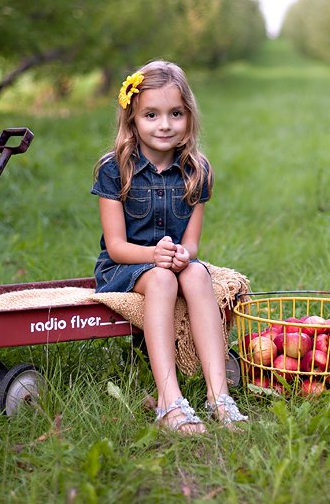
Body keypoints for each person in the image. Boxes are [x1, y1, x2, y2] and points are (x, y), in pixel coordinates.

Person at [91, 60, 248, 433]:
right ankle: (169, 401)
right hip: (125, 267)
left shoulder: (197, 170)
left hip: (170, 262)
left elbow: (191, 243)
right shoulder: (114, 169)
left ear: (189, 117)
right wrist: (154, 257)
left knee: (196, 275)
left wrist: (182, 255)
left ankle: (218, 397)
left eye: (175, 113)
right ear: (132, 120)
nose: (164, 124)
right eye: (151, 114)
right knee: (162, 280)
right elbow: (115, 247)